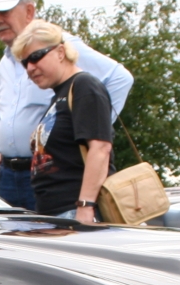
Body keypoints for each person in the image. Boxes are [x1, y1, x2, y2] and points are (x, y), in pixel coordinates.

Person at [0, 0, 132, 210]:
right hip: (10, 174)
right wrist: (4, 144)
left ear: (29, 11)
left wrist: (83, 133)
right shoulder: (5, 62)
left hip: (53, 172)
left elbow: (120, 79)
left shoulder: (55, 43)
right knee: (15, 243)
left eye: (5, 12)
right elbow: (3, 109)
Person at [13, 20, 113, 223]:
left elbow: (100, 148)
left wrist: (85, 207)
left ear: (60, 52)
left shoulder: (84, 86)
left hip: (75, 211)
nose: (30, 68)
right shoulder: (59, 95)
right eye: (25, 63)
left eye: (36, 57)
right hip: (53, 213)